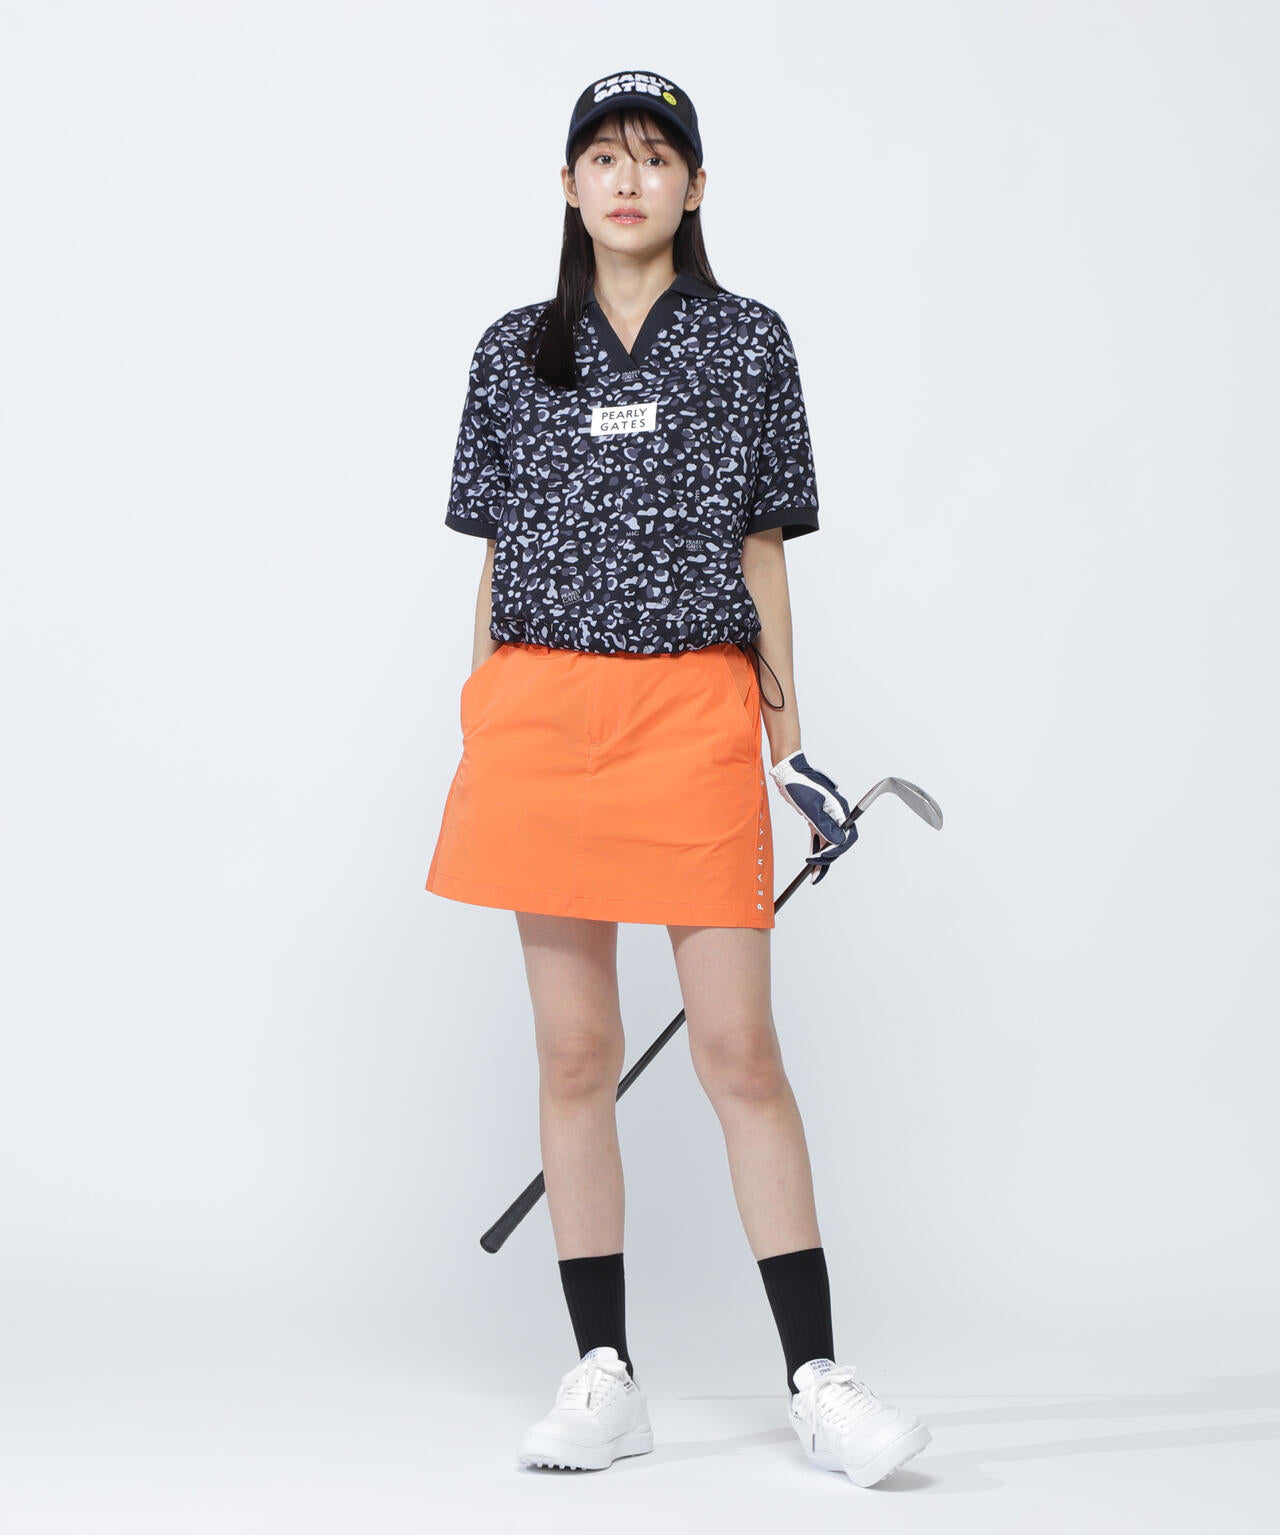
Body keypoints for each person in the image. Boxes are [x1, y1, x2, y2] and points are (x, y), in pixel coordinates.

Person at [425, 68, 931, 1488]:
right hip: (539, 715)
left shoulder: (748, 342)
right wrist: (483, 718)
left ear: (695, 187)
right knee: (574, 1055)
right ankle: (605, 1375)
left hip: (694, 709)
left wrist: (790, 746)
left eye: (656, 157)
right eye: (604, 156)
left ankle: (817, 1381)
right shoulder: (513, 350)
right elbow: (494, 557)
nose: (629, 178)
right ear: (569, 185)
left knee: (738, 1052)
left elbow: (763, 552)